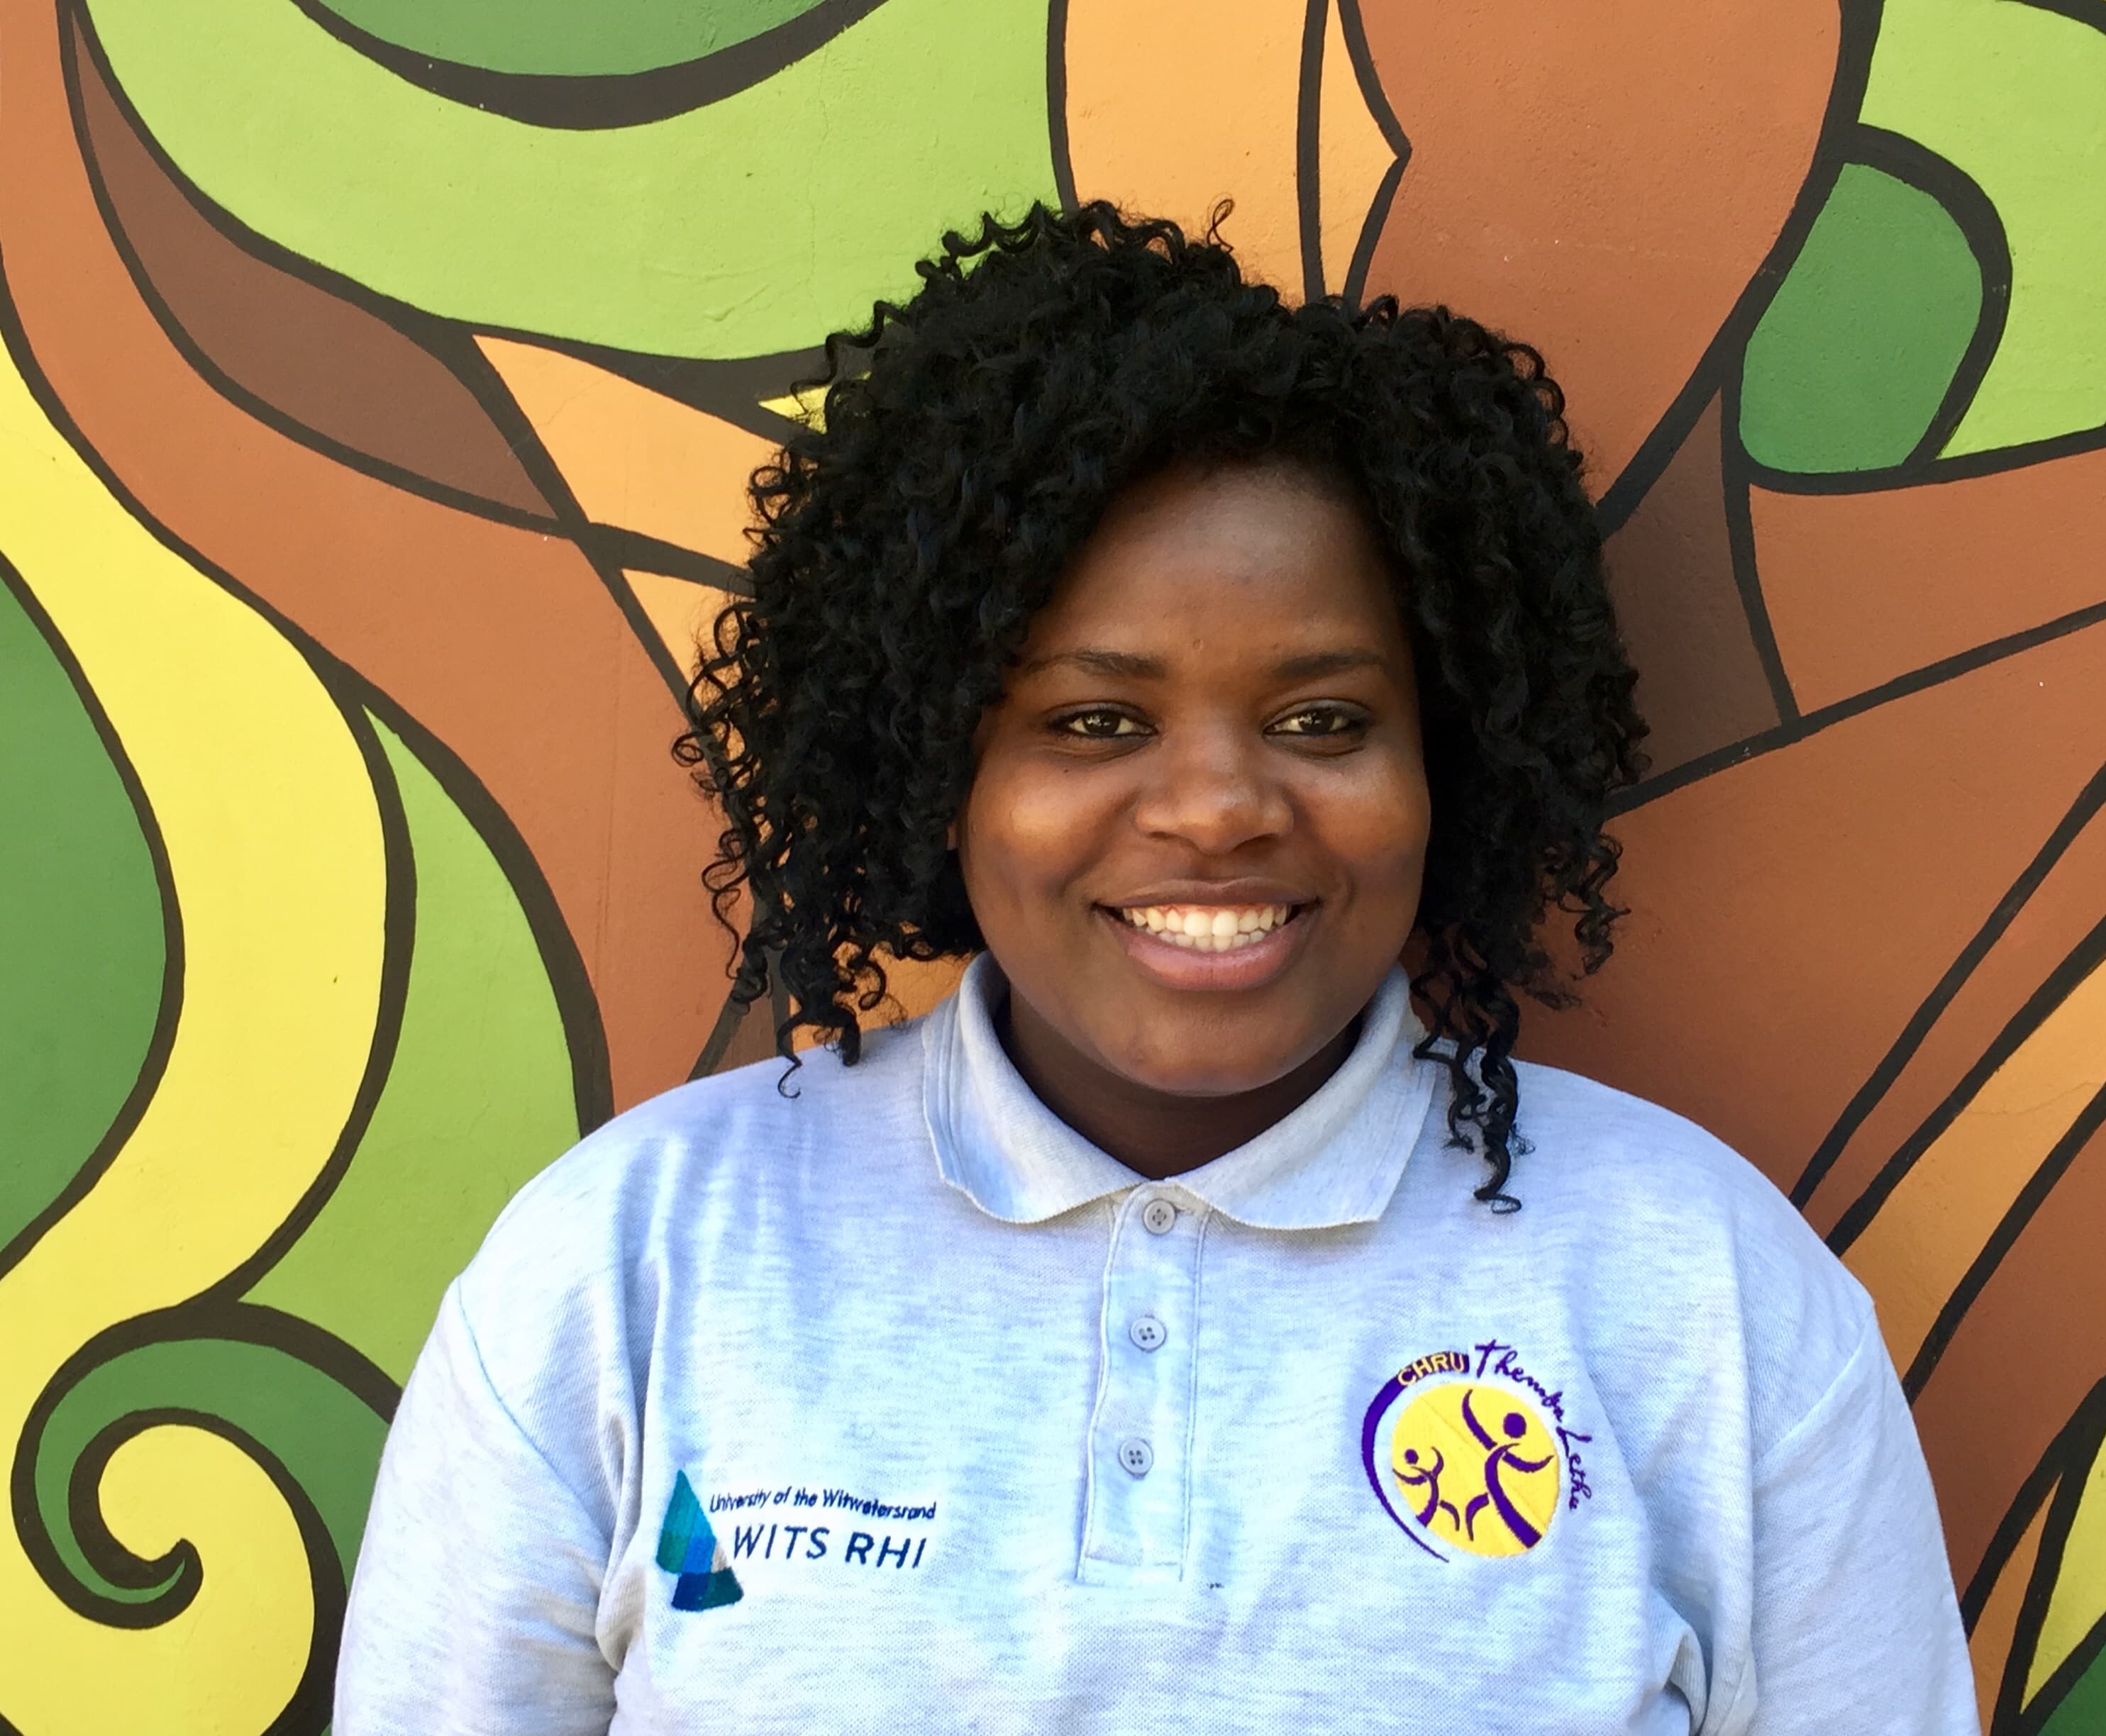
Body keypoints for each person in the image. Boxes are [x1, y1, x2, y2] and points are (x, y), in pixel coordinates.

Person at [336, 202, 1978, 1733]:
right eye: (1093, 721)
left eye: (1322, 720)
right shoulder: (632, 1271)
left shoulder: (1703, 1299)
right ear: (941, 770)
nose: (1216, 810)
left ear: (1448, 764)